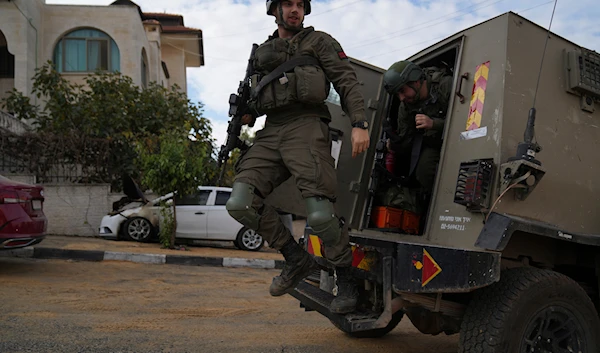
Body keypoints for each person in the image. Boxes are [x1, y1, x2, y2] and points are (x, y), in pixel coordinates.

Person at [225, 0, 370, 314]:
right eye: (288, 4)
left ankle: (346, 279)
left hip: (307, 125)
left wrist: (359, 122)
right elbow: (254, 95)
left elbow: (346, 80)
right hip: (271, 129)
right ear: (274, 10)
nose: (295, 10)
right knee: (240, 202)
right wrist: (246, 114)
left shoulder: (319, 42)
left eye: (299, 5)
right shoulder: (262, 52)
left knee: (319, 216)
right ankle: (295, 258)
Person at [382, 60, 453, 192]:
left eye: (402, 91)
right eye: (397, 94)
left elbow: (468, 118)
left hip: (459, 138)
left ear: (416, 81)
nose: (401, 98)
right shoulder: (406, 106)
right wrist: (395, 144)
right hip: (435, 143)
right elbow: (407, 140)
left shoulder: (445, 85)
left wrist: (434, 124)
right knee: (424, 172)